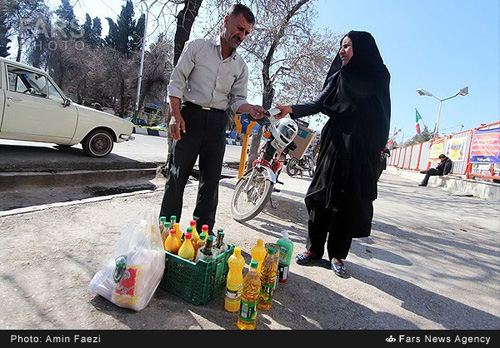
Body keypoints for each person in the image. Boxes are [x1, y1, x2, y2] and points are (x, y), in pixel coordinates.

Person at [276, 31, 391, 278]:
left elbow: (384, 112)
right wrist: (291, 109)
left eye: (347, 46)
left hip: (361, 146)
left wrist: (379, 147)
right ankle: (313, 249)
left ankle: (338, 255)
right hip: (334, 140)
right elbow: (318, 104)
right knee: (320, 196)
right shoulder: (339, 75)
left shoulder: (378, 75)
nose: (342, 50)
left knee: (346, 203)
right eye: (341, 46)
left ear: (362, 48)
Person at [160, 3, 264, 234]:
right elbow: (176, 83)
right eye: (239, 28)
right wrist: (175, 116)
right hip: (189, 117)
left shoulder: (241, 67)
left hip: (217, 124)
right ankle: (167, 234)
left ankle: (201, 237)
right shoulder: (197, 48)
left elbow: (237, 101)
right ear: (226, 23)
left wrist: (250, 109)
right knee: (177, 177)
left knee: (210, 183)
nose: (242, 36)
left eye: (246, 32)